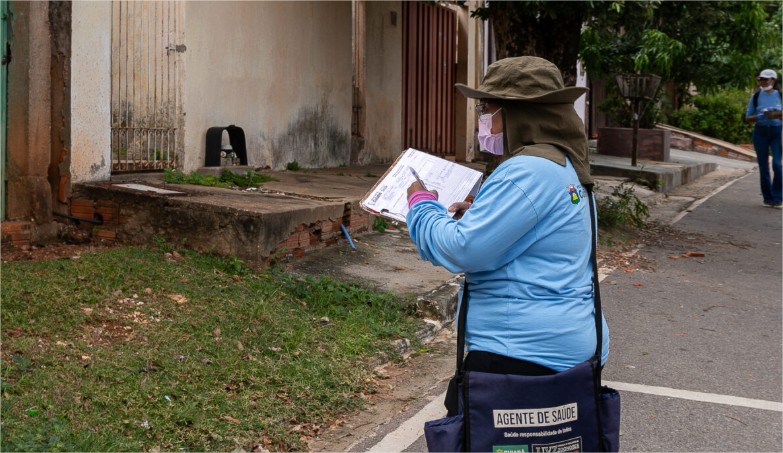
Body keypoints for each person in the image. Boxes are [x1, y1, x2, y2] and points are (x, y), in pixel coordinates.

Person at [405, 56, 609, 378]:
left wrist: (420, 205)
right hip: (571, 343)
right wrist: (481, 216)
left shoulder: (526, 171)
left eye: (486, 109)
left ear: (515, 113)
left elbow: (461, 249)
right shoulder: (565, 166)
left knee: (471, 411)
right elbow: (540, 235)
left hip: (523, 353)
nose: (482, 119)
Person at [745, 68, 782, 208]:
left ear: (773, 80)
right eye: (761, 79)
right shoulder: (755, 97)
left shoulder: (780, 96)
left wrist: (775, 114)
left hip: (777, 132)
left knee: (777, 164)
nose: (763, 81)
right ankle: (768, 198)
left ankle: (778, 198)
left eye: (766, 79)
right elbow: (748, 117)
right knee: (763, 166)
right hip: (760, 132)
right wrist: (760, 116)